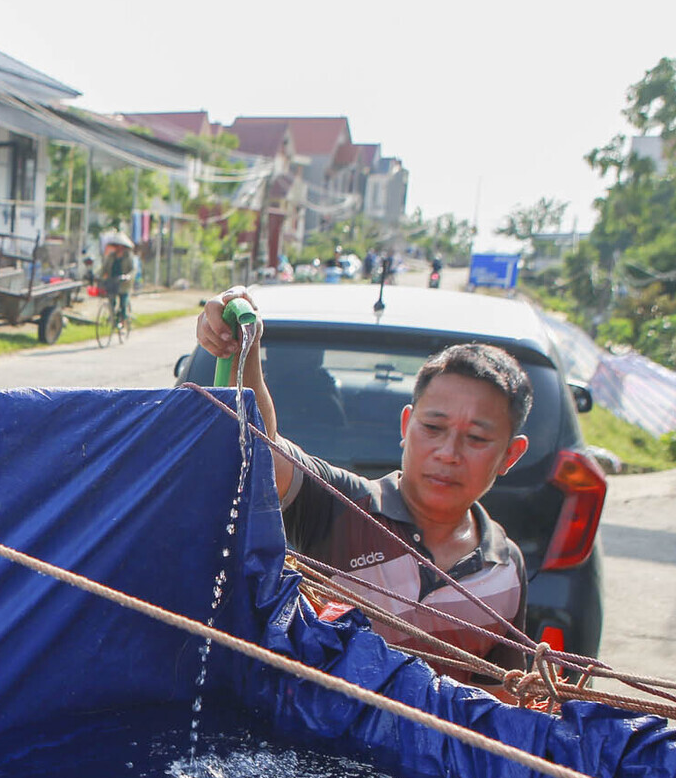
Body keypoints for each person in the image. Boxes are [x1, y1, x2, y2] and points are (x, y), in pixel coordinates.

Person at [195, 288, 532, 673]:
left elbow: (502, 696)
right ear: (407, 425)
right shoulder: (342, 508)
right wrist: (245, 347)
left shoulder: (506, 567)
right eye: (434, 428)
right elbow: (260, 450)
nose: (449, 453)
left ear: (510, 454)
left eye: (476, 438)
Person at [99, 234, 140, 325]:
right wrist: (98, 275)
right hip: (112, 282)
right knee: (111, 301)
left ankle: (123, 320)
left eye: (121, 246)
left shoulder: (129, 257)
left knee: (123, 303)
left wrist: (128, 276)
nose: (119, 248)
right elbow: (103, 268)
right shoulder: (111, 256)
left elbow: (133, 270)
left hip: (124, 284)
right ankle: (112, 318)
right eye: (117, 246)